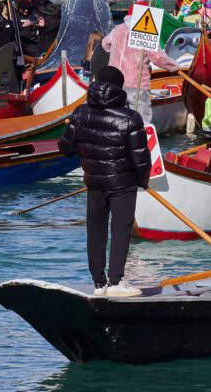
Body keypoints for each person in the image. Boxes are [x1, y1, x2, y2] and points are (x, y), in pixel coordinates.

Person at [57, 66, 151, 297]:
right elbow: (141, 158)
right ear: (119, 87)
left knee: (95, 233)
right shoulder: (130, 117)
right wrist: (143, 181)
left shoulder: (80, 113)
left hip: (94, 182)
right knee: (120, 231)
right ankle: (116, 282)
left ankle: (99, 284)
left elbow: (65, 148)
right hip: (123, 184)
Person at [101, 15, 179, 124]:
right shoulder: (147, 32)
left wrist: (115, 51)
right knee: (142, 121)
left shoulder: (118, 29)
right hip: (137, 84)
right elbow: (158, 58)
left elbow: (105, 43)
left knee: (116, 118)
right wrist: (174, 66)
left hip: (115, 82)